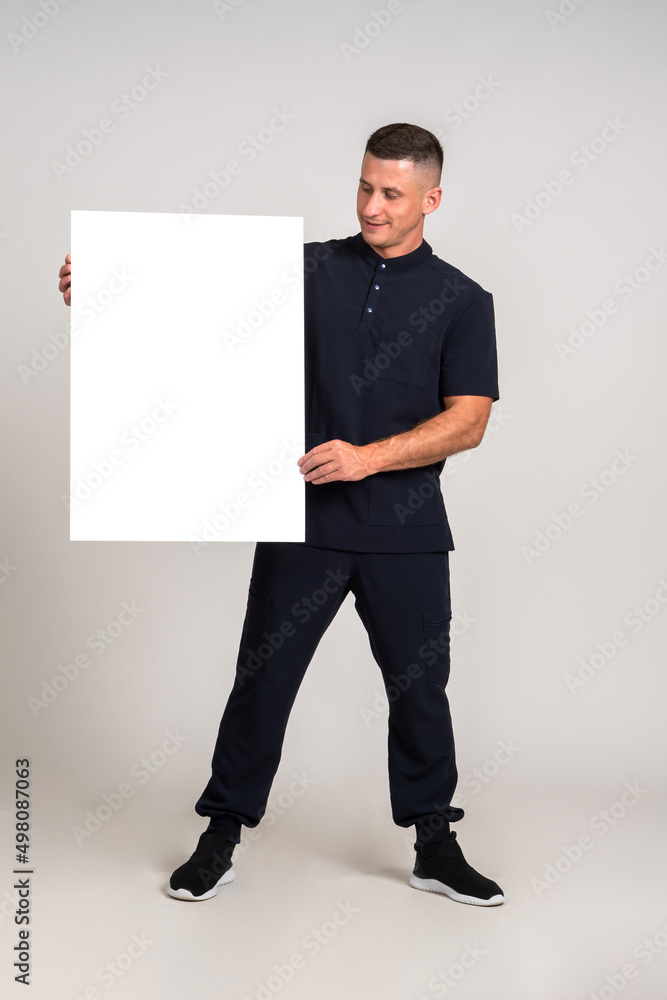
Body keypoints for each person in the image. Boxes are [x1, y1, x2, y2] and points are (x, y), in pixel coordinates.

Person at [58, 122, 504, 907]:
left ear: (430, 199)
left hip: (405, 531)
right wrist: (104, 284)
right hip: (302, 522)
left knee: (419, 688)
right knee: (260, 684)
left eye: (391, 193)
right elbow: (190, 295)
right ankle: (220, 837)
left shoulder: (463, 301)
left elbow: (467, 420)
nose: (371, 204)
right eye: (364, 186)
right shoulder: (306, 270)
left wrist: (367, 456)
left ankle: (434, 844)